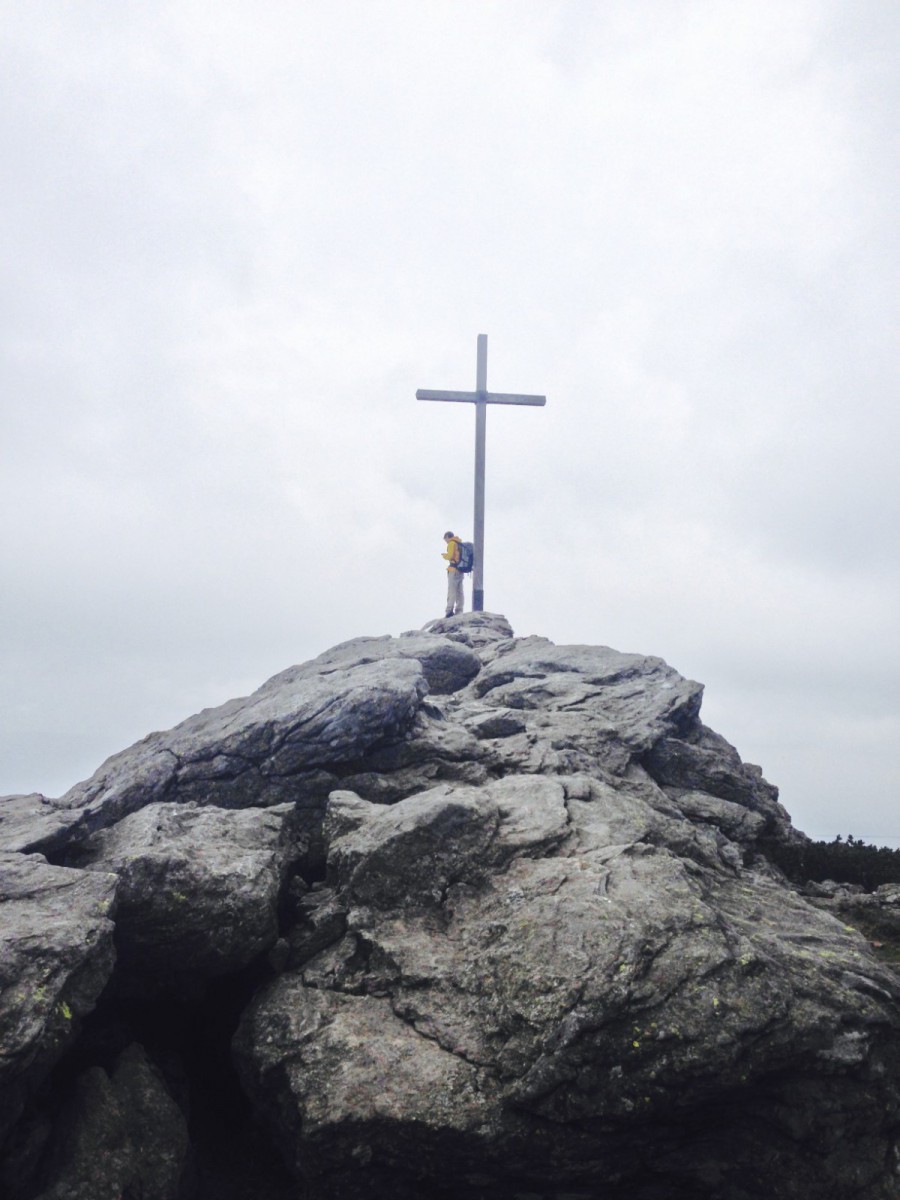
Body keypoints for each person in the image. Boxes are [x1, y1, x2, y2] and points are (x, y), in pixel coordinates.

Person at [442, 530, 464, 617]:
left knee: (452, 591)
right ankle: (459, 610)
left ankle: (449, 611)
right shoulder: (459, 543)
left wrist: (444, 555)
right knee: (460, 591)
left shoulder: (451, 543)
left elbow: (450, 556)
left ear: (447, 537)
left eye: (445, 539)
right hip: (461, 570)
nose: (445, 541)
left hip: (453, 570)